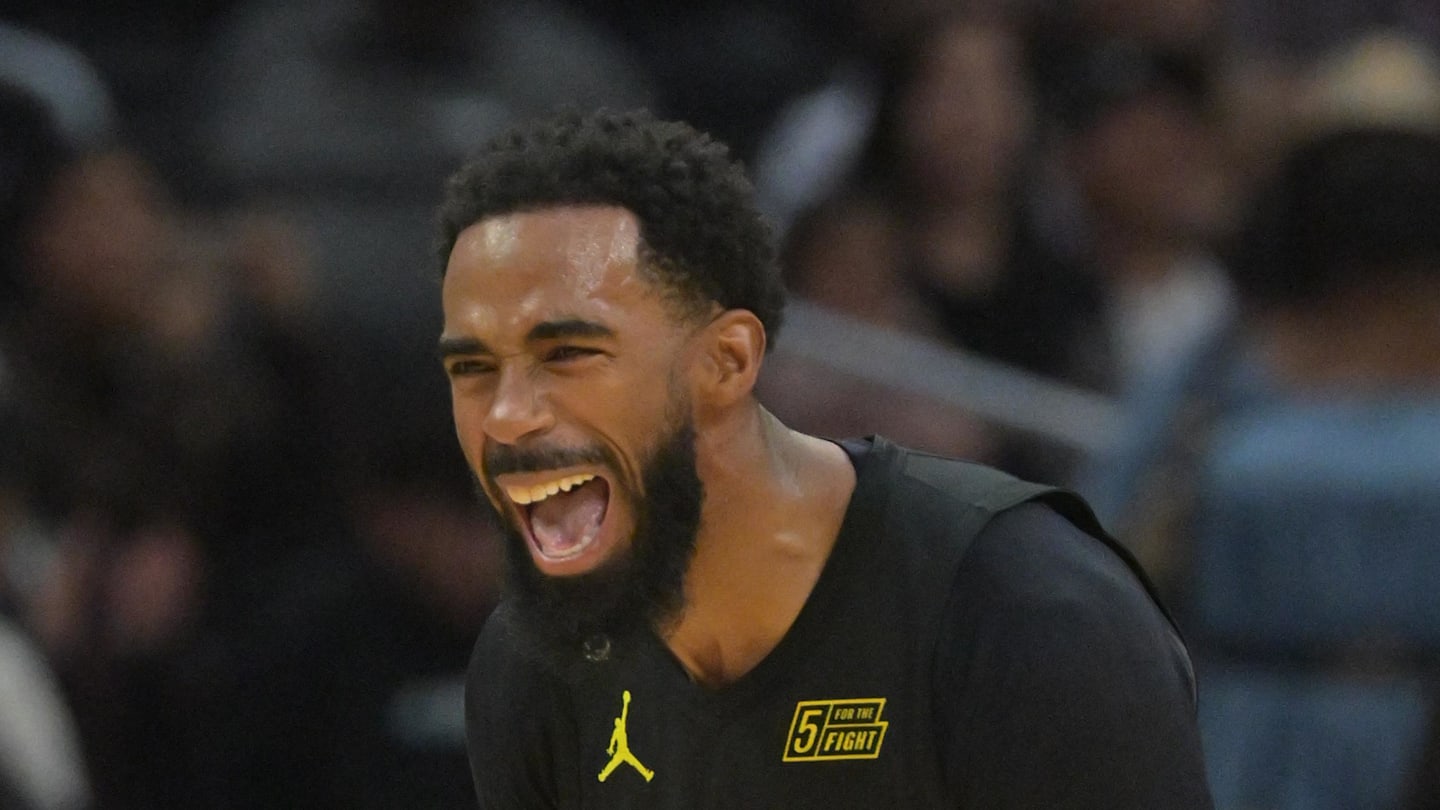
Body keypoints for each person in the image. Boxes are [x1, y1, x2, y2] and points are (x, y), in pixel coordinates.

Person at [435, 108, 1213, 808]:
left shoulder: (1027, 614)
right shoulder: (532, 670)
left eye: (568, 354)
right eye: (472, 367)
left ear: (726, 362)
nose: (506, 417)